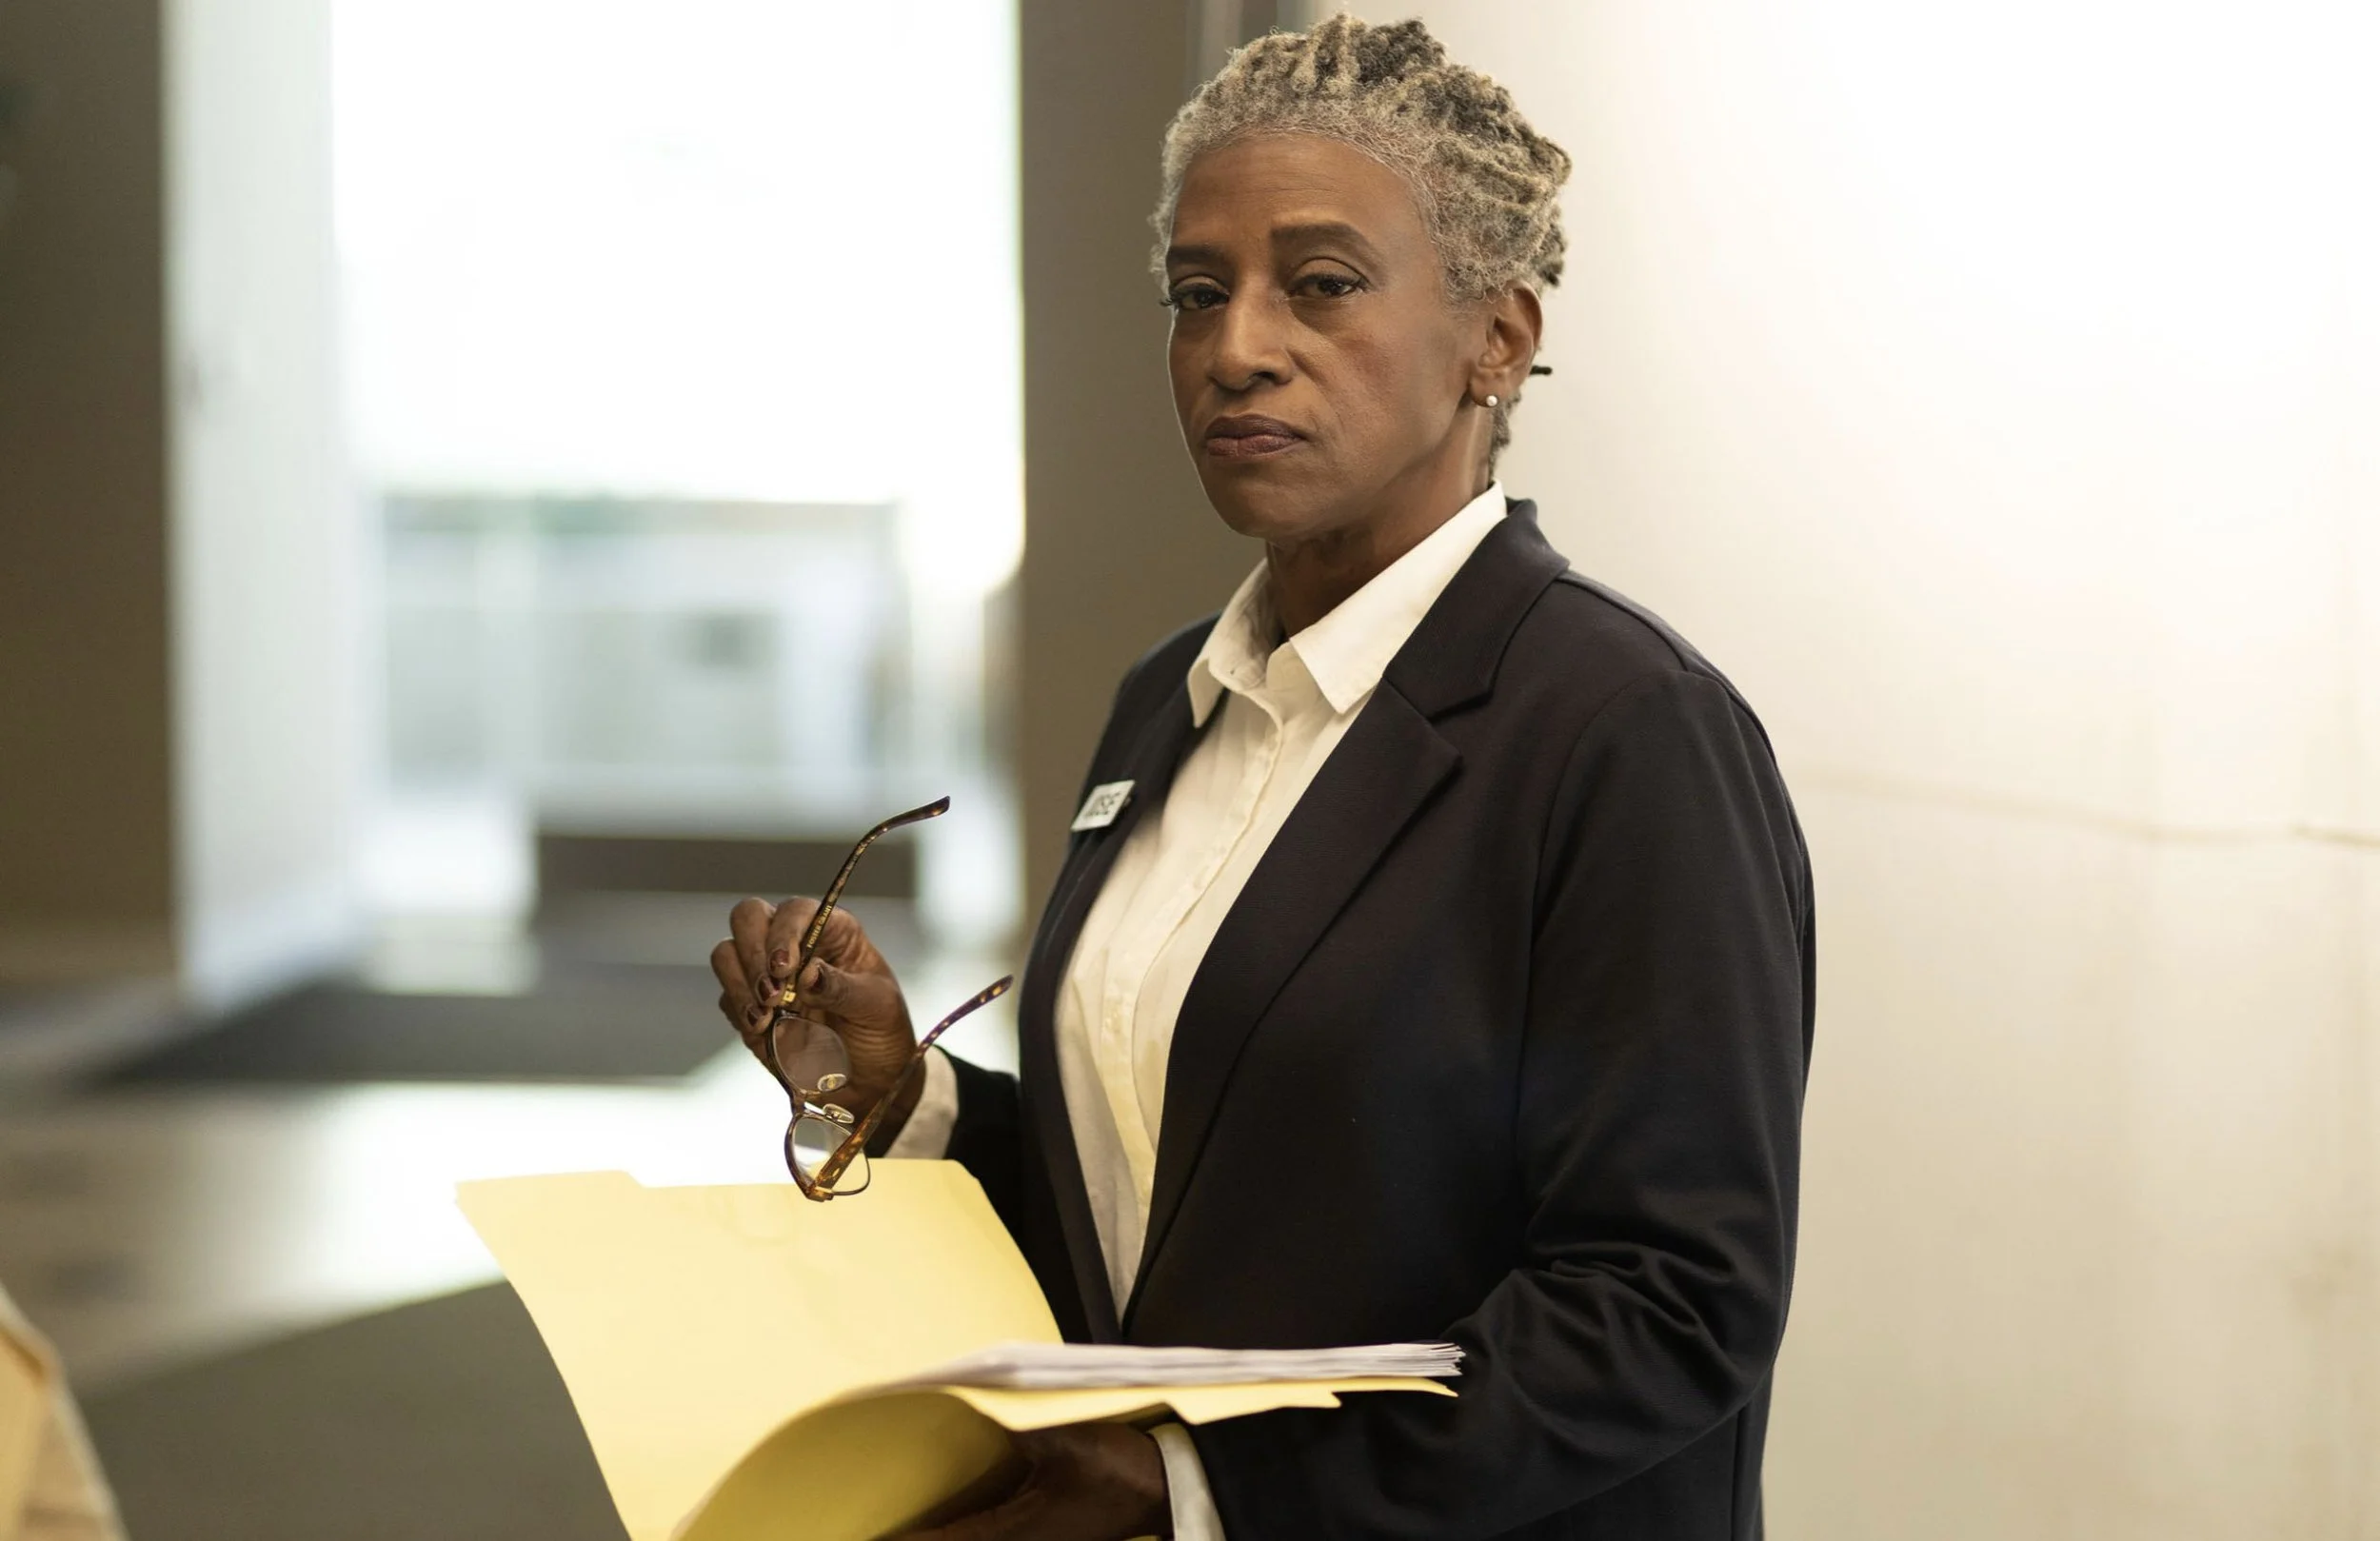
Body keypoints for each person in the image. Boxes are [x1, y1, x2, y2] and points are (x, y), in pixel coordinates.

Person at [711, 16, 1813, 1539]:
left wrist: (1198, 1487)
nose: (1238, 344)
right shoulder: (1169, 702)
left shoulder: (1625, 733)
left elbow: (1671, 1302)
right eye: (1197, 291)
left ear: (1496, 336)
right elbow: (1191, 1202)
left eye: (1323, 284)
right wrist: (913, 1100)